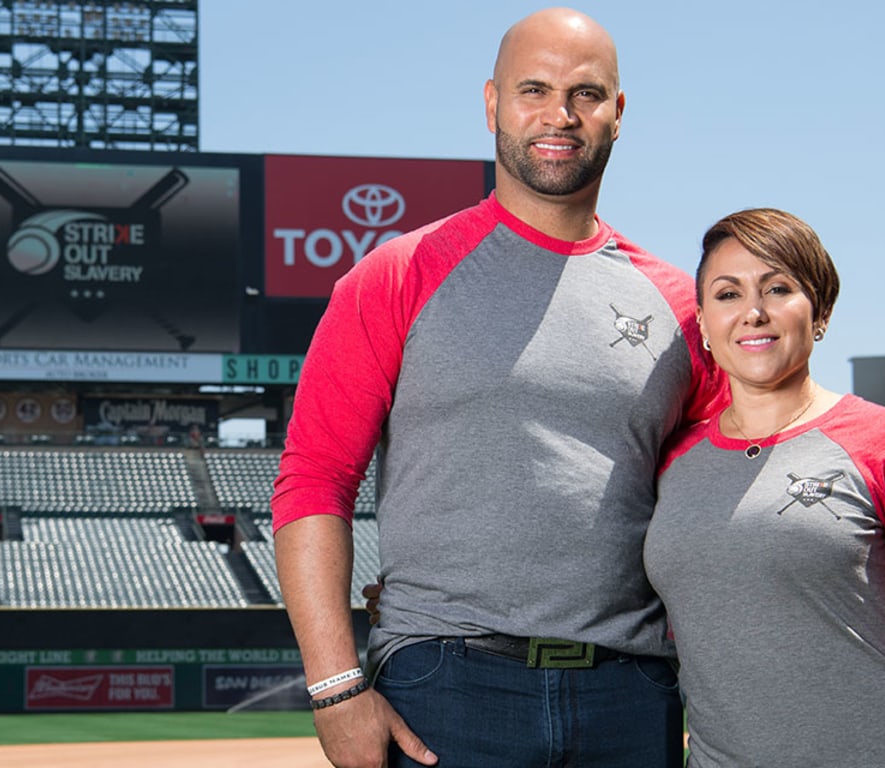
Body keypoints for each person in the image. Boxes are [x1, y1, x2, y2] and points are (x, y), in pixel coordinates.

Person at [272, 8, 726, 767]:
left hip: (632, 694)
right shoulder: (396, 276)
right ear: (491, 105)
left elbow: (729, 491)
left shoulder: (681, 304)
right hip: (445, 685)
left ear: (619, 112)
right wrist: (335, 685)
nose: (560, 115)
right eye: (534, 89)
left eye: (586, 93)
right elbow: (315, 478)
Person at [643, 207, 885, 766]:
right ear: (703, 324)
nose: (753, 312)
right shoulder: (669, 460)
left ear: (820, 311)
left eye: (777, 288)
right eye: (727, 294)